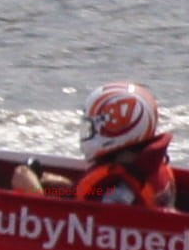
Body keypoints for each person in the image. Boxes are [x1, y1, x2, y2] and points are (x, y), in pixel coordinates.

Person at [12, 82, 177, 209]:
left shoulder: (120, 188)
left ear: (116, 127)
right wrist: (62, 188)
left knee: (22, 175)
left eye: (92, 126)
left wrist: (32, 193)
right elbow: (94, 196)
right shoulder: (147, 167)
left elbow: (72, 226)